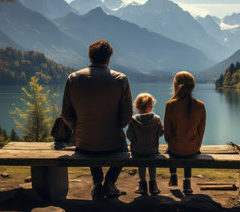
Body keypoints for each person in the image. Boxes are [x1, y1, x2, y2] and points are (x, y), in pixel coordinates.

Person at [60, 40, 133, 200]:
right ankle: (110, 182)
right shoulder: (121, 79)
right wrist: (116, 127)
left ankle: (97, 182)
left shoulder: (73, 78)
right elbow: (127, 115)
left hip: (83, 143)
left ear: (90, 57)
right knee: (124, 150)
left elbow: (65, 113)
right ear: (109, 58)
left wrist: (78, 127)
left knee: (90, 139)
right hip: (113, 143)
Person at [164, 71, 206, 194]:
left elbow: (167, 134)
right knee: (188, 149)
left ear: (176, 85)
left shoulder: (170, 105)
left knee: (170, 148)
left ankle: (173, 176)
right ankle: (187, 183)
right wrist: (194, 144)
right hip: (193, 148)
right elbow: (201, 132)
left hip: (175, 148)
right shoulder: (200, 106)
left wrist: (175, 142)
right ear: (192, 86)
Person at [126, 93, 164, 195]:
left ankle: (142, 185)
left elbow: (129, 136)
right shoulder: (156, 119)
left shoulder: (133, 120)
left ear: (137, 107)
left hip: (137, 151)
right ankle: (153, 185)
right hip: (152, 151)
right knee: (152, 163)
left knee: (141, 163)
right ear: (151, 107)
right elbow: (160, 134)